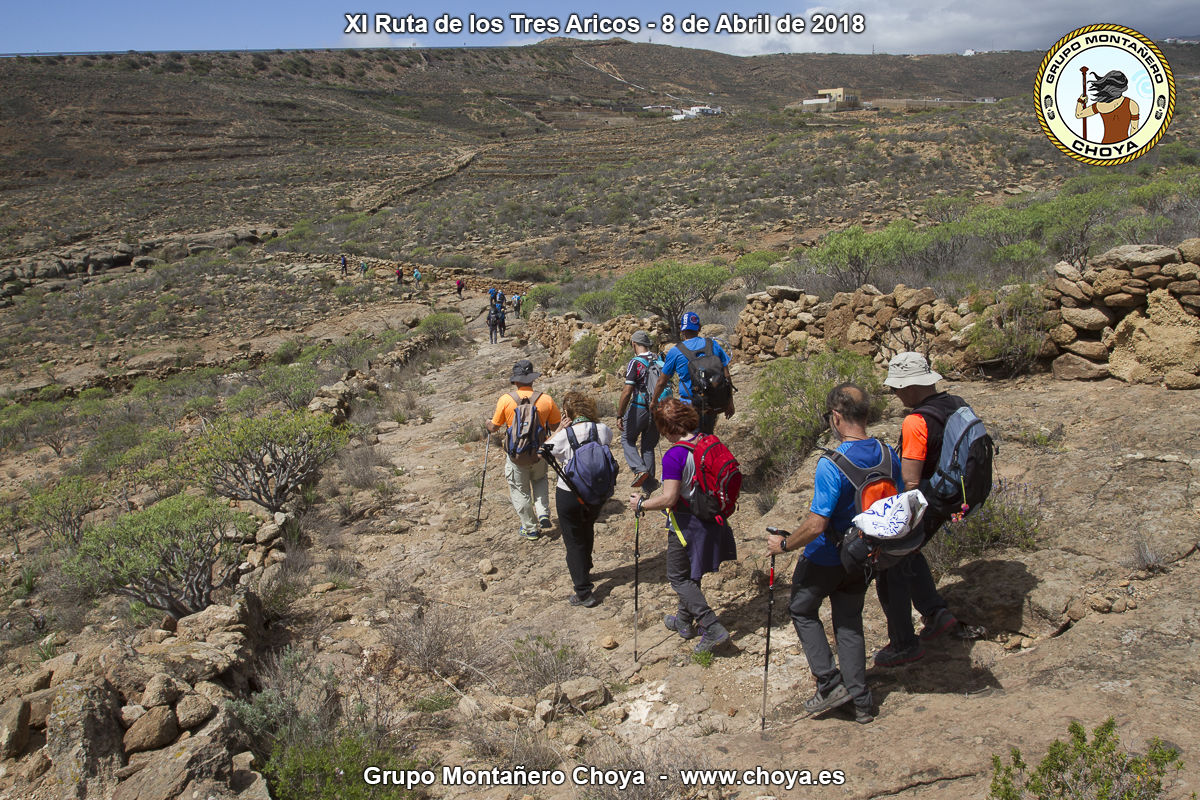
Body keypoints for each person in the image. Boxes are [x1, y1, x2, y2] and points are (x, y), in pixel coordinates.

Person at [767, 383, 895, 724]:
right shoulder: (887, 453)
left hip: (826, 556)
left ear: (836, 417)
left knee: (801, 608)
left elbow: (816, 526)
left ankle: (829, 683)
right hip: (864, 554)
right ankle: (861, 700)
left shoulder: (832, 464)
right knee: (849, 621)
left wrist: (784, 545)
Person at [874, 352, 963, 667]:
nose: (896, 393)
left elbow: (910, 484)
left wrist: (895, 524)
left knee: (890, 567)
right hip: (953, 498)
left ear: (910, 386)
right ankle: (935, 612)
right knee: (910, 555)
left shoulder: (916, 421)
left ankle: (903, 643)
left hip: (927, 499)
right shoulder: (955, 404)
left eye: (897, 387)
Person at [629, 399, 736, 653]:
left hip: (686, 523)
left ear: (667, 429)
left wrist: (641, 504)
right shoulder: (705, 440)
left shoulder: (674, 455)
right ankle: (684, 622)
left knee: (678, 578)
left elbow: (669, 498)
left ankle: (712, 627)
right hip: (709, 517)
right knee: (691, 574)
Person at [544, 391, 614, 608]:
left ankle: (583, 592)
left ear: (567, 413)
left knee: (573, 540)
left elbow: (542, 451)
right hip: (596, 492)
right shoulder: (603, 430)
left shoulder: (564, 435)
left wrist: (557, 431)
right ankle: (587, 567)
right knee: (587, 528)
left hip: (569, 493)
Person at [485, 360, 560, 540]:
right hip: (539, 453)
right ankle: (543, 513)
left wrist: (488, 424)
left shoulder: (505, 400)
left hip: (516, 456)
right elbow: (557, 426)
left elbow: (494, 427)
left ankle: (531, 528)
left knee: (520, 490)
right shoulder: (546, 399)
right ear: (532, 379)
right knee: (540, 480)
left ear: (515, 381)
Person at [652, 312, 734, 435]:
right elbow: (726, 376)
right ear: (699, 328)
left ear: (682, 330)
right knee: (707, 439)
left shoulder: (675, 351)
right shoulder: (713, 345)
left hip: (688, 405)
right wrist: (729, 402)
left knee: (690, 441)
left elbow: (662, 381)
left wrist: (654, 401)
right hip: (711, 402)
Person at [615, 330, 663, 490]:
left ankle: (639, 469)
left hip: (639, 407)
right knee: (648, 447)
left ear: (634, 344)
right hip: (657, 408)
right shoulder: (658, 358)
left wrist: (620, 414)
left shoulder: (635, 362)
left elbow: (627, 391)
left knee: (627, 439)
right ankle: (649, 487)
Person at [1075, 70, 1139, 144]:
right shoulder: (1132, 104)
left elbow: (1079, 114)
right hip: (1124, 146)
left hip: (1105, 145)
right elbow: (1134, 129)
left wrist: (1080, 101)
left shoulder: (1100, 105)